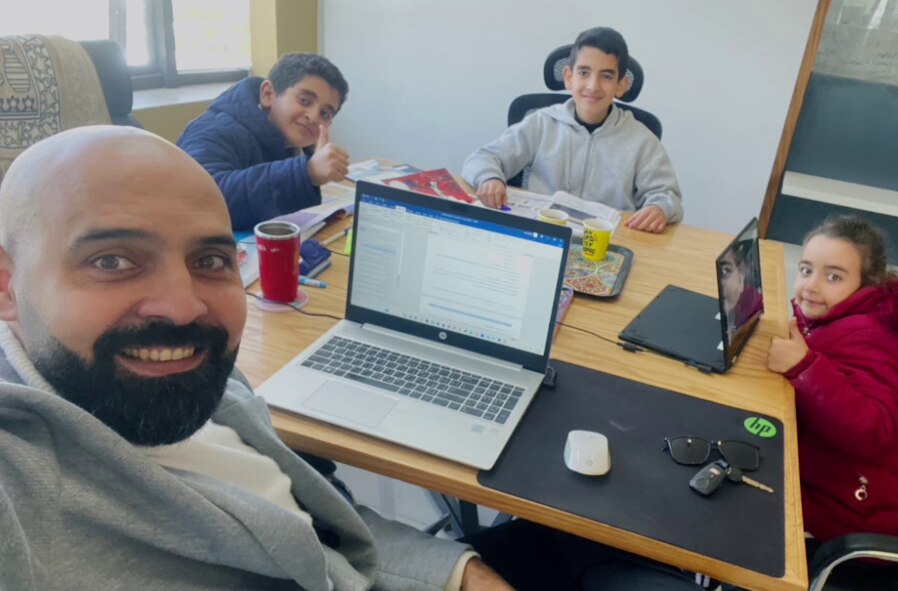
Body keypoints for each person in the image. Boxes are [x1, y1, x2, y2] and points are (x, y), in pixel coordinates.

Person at [0, 126, 513, 590]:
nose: (184, 307)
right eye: (112, 260)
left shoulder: (187, 374)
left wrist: (458, 573)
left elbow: (310, 519)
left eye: (209, 259)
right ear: (7, 286)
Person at [767, 215, 898, 543]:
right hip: (847, 481)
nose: (811, 286)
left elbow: (871, 430)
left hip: (866, 514)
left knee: (737, 495)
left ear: (867, 283)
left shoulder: (877, 338)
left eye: (833, 277)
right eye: (806, 270)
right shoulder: (847, 316)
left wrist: (804, 367)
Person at [461, 27, 682, 234]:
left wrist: (659, 208)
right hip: (544, 237)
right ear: (568, 77)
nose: (593, 86)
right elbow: (482, 158)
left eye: (606, 76)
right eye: (584, 72)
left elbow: (667, 196)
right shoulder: (540, 123)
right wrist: (490, 178)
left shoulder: (642, 140)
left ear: (621, 85)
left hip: (606, 244)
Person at [178, 52, 351, 231]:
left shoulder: (293, 143)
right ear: (268, 94)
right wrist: (307, 172)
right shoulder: (214, 130)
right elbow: (202, 200)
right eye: (305, 101)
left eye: (325, 114)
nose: (313, 117)